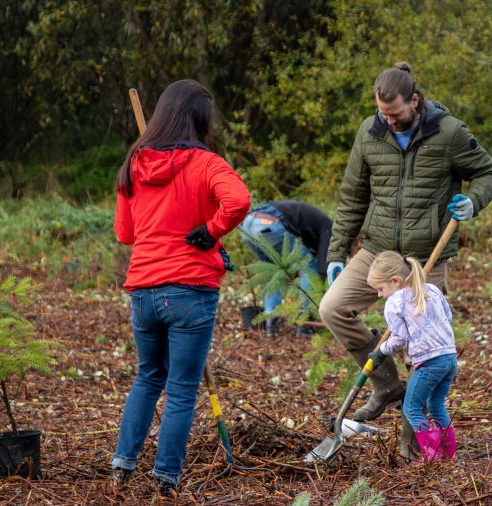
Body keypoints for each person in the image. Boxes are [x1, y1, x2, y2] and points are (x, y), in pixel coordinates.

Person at [319, 62, 492, 457]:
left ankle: (411, 442)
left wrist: (473, 201)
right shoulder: (370, 133)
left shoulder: (448, 132)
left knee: (424, 343)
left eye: (396, 114)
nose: (390, 120)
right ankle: (386, 385)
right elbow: (352, 198)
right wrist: (336, 252)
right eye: (383, 114)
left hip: (425, 257)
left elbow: (487, 173)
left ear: (414, 101)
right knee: (333, 307)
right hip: (377, 252)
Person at [109, 79, 251, 495]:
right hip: (190, 289)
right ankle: (166, 478)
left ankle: (122, 465)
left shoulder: (134, 164)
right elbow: (239, 201)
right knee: (182, 389)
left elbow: (124, 233)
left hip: (144, 290)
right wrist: (211, 230)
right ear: (198, 119)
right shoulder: (207, 164)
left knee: (148, 377)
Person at [366, 251, 457, 462]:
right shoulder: (431, 289)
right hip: (449, 357)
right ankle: (450, 455)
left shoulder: (395, 302)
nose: (380, 295)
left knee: (411, 407)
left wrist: (380, 352)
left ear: (395, 281)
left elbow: (400, 337)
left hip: (429, 362)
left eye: (380, 289)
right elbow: (448, 316)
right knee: (436, 405)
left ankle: (432, 457)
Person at [239, 201, 332, 336]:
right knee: (308, 266)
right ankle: (304, 321)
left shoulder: (314, 222)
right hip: (269, 223)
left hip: (248, 225)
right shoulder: (329, 227)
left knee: (274, 272)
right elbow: (324, 262)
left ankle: (271, 322)